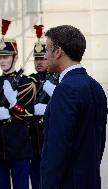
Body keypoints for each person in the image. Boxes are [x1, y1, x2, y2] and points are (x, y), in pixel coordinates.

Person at [40, 25, 107, 189]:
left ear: (58, 52)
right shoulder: (95, 86)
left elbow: (57, 147)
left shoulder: (65, 89)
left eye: (47, 50)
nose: (44, 56)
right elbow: (99, 142)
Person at [0, 21, 36, 189]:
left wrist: (13, 105)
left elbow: (30, 114)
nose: (2, 60)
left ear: (15, 57)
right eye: (0, 57)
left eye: (6, 56)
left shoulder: (27, 82)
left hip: (19, 143)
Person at [29, 25, 58, 189]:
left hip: (51, 137)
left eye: (43, 58)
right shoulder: (28, 81)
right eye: (36, 59)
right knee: (35, 180)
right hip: (33, 140)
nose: (39, 62)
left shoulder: (58, 79)